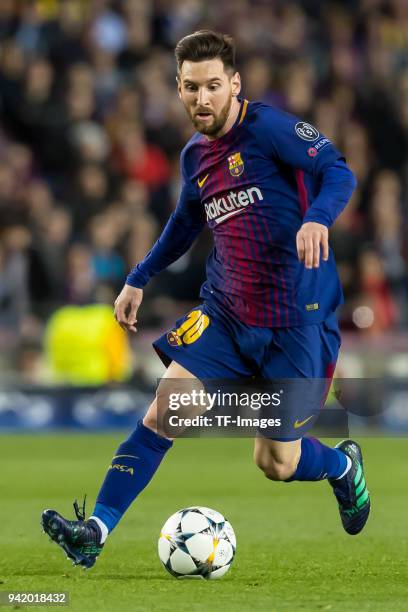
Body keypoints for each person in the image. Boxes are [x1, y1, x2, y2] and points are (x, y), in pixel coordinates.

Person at [42, 30, 370, 569]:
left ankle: (339, 467)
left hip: (296, 322)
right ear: (178, 87)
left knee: (277, 462)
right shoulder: (195, 155)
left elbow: (338, 170)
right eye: (192, 88)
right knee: (164, 410)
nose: (202, 99)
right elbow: (185, 221)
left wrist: (316, 217)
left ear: (234, 84)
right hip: (227, 310)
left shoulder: (272, 130)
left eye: (214, 86)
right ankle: (94, 531)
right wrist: (139, 276)